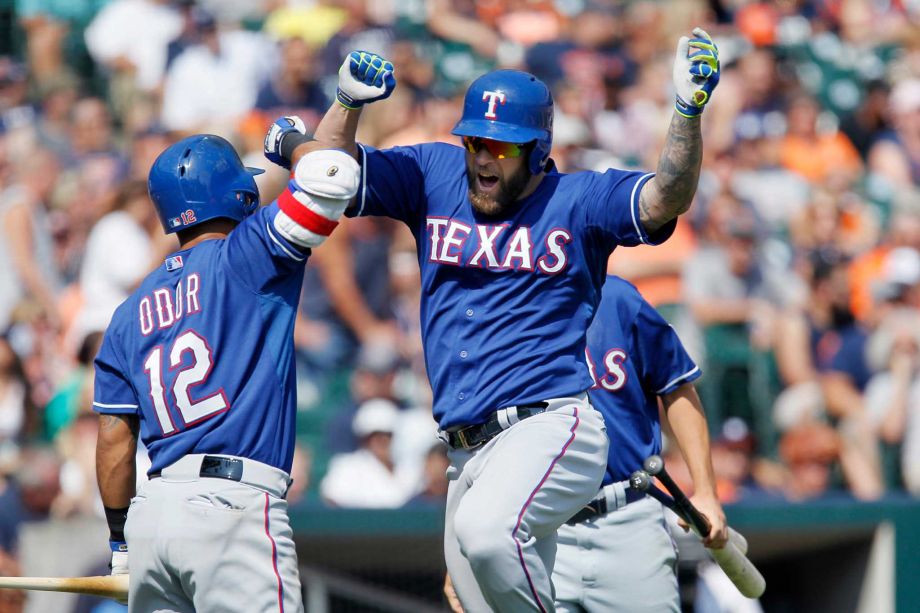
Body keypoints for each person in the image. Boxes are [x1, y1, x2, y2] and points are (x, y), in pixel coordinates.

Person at [265, 28, 720, 611]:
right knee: (477, 579)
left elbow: (664, 198)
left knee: (488, 536)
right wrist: (347, 104)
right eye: (475, 141)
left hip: (550, 425)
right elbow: (329, 172)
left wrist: (686, 113)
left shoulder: (576, 200)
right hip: (465, 453)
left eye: (501, 147)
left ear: (537, 150)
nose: (483, 156)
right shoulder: (434, 174)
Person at [93, 133, 360, 611]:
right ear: (237, 193)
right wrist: (303, 136)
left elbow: (115, 440)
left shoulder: (127, 313)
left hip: (154, 516)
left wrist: (121, 545)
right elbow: (331, 179)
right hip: (230, 506)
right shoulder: (247, 253)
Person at [554, 274, 727, 613]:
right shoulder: (507, 307)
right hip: (541, 524)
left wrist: (706, 491)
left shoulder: (617, 298)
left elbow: (676, 386)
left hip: (629, 516)